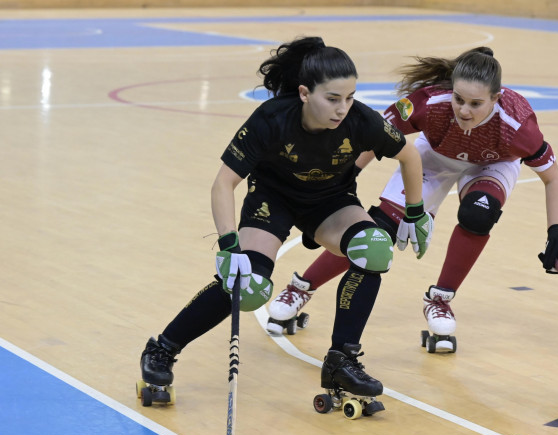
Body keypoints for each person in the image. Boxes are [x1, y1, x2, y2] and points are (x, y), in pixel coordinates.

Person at [138, 36, 433, 407]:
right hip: (272, 200)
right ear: (305, 93)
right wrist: (229, 246)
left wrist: (416, 211)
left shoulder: (361, 121)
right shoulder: (272, 118)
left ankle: (342, 359)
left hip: (329, 202)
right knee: (247, 285)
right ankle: (162, 348)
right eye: (333, 98)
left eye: (350, 97)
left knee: (374, 251)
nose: (343, 108)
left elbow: (409, 156)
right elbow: (223, 183)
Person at [267, 46, 558, 353]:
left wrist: (555, 231)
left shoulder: (517, 126)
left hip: (493, 163)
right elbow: (373, 136)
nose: (464, 110)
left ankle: (440, 300)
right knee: (380, 230)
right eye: (459, 99)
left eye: (476, 103)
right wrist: (345, 177)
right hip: (435, 156)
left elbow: (553, 178)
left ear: (496, 98)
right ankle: (300, 287)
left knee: (479, 215)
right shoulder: (429, 103)